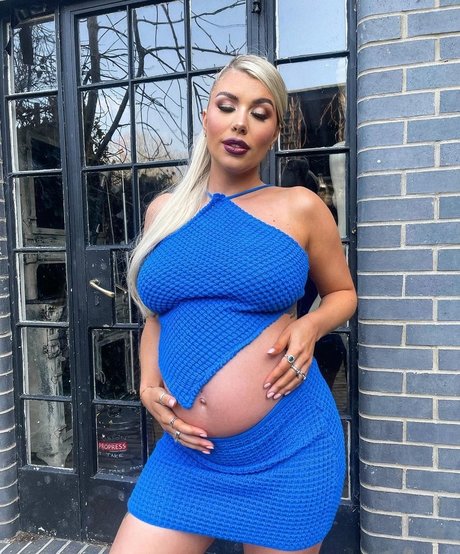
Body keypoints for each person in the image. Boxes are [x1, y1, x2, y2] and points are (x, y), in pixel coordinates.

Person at [110, 55, 357, 554]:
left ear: (274, 131)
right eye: (227, 106)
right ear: (207, 117)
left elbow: (342, 294)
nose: (240, 122)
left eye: (259, 113)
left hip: (288, 445)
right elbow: (157, 313)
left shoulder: (301, 207)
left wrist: (309, 327)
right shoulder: (165, 212)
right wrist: (146, 383)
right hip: (190, 457)